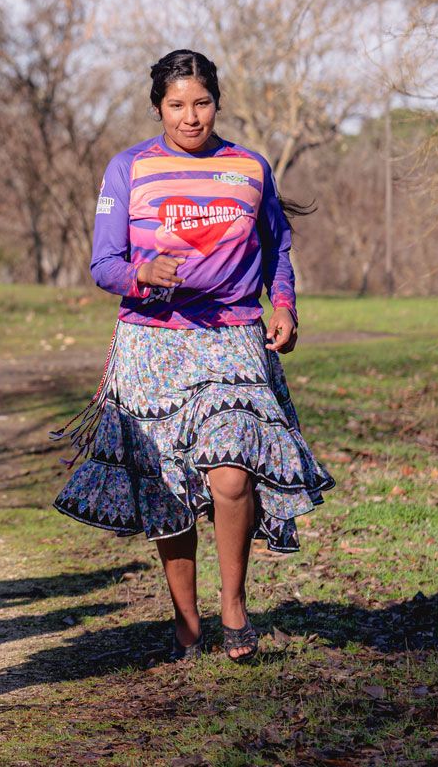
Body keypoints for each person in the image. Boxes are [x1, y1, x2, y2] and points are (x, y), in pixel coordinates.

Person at [54, 49, 334, 663]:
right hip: (152, 342)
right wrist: (142, 273)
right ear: (158, 107)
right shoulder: (128, 169)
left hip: (232, 336)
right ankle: (186, 619)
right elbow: (103, 265)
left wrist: (283, 304)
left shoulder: (249, 168)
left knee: (232, 471)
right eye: (177, 105)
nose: (190, 117)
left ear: (217, 104)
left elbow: (276, 246)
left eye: (201, 103)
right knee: (167, 489)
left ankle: (233, 605)